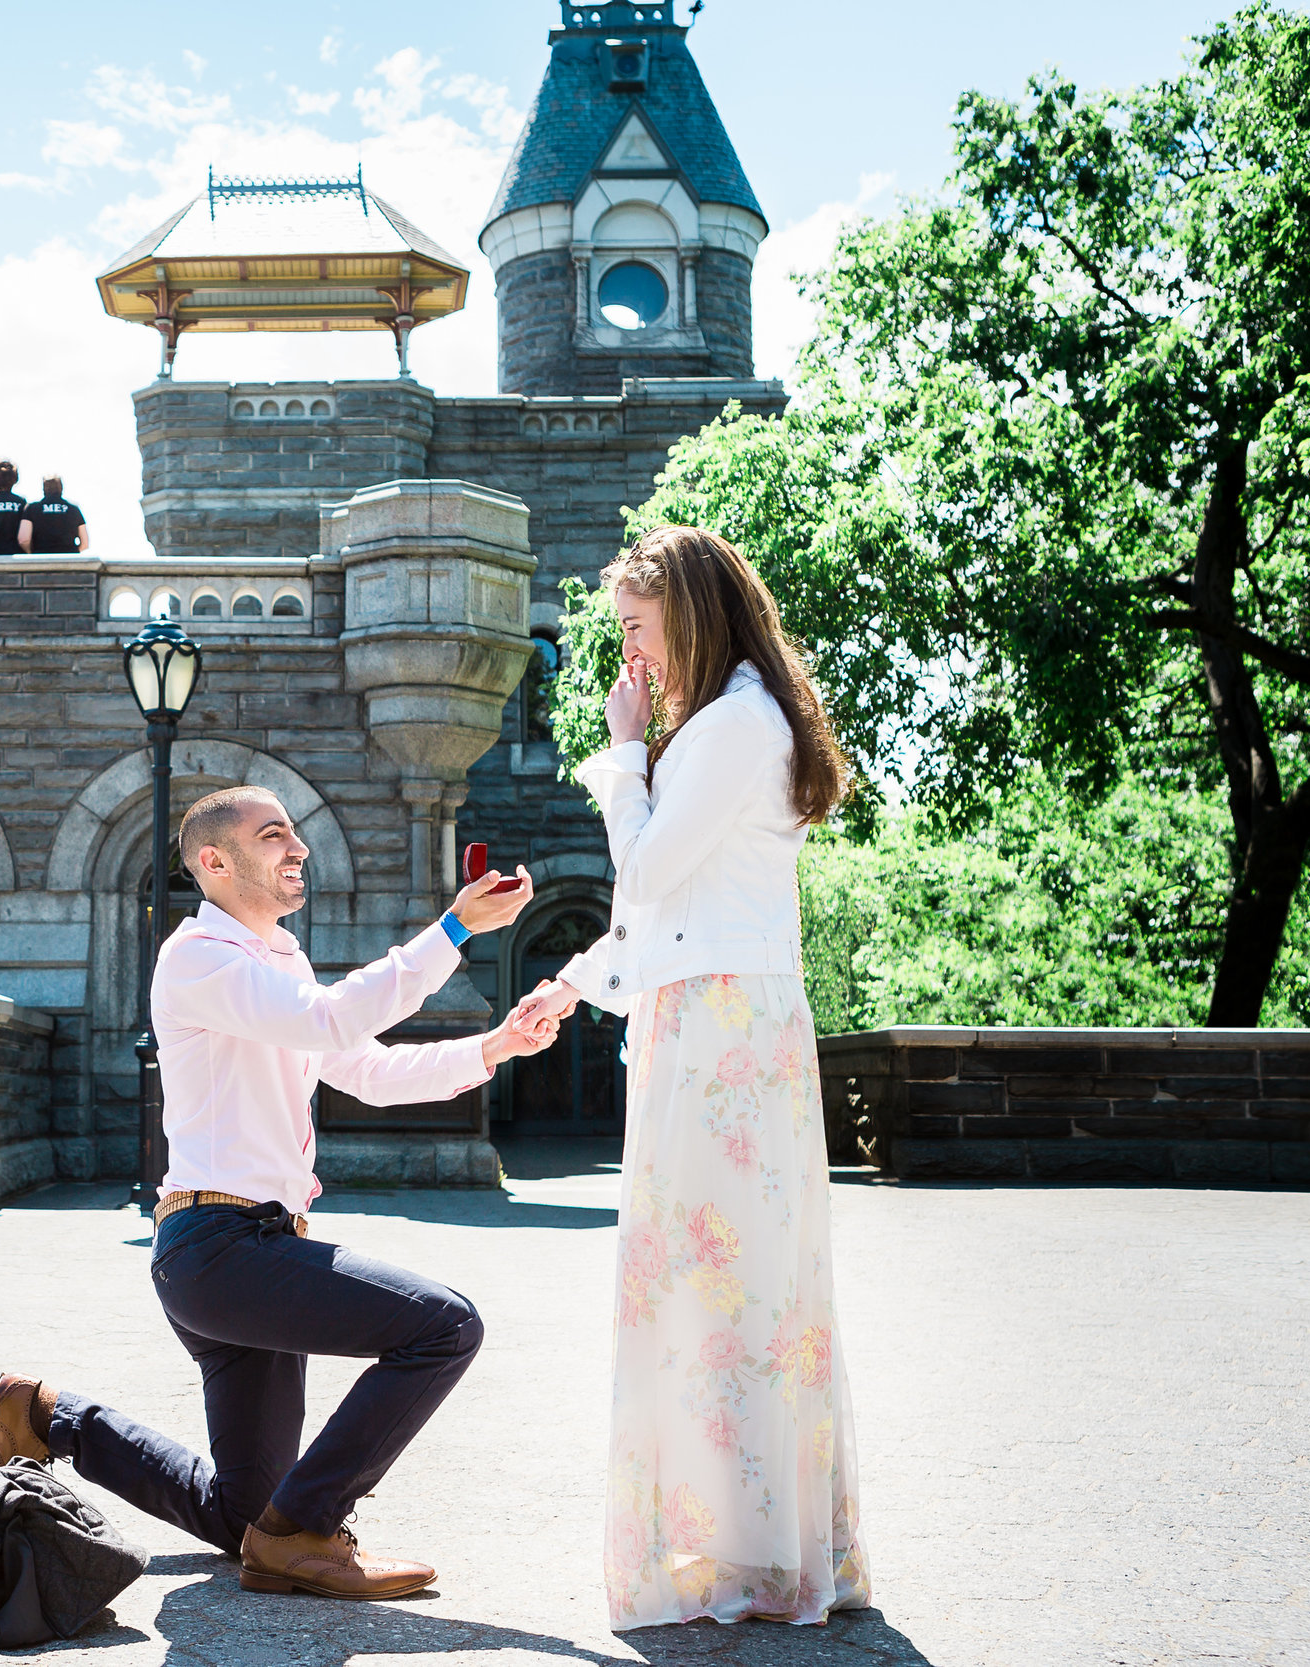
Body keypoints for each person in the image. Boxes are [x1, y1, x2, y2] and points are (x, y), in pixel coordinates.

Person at [0, 786, 561, 1600]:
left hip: (246, 1254)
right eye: (274, 834)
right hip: (221, 1249)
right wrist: (454, 927)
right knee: (445, 1326)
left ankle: (43, 1415)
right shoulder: (197, 957)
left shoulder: (280, 961)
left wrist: (497, 1043)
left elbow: (365, 1068)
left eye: (295, 832)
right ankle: (309, 1527)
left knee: (242, 1515)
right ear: (215, 862)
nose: (300, 849)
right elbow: (332, 1021)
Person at [514, 525, 871, 1630]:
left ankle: (745, 1552)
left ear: (689, 614)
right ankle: (755, 1543)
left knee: (718, 1293)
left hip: (720, 1032)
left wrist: (623, 752)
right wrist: (573, 985)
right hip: (716, 1015)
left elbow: (647, 866)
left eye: (633, 625)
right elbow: (665, 913)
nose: (628, 651)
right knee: (734, 1292)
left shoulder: (732, 722)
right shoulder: (745, 718)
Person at [18, 474, 87, 554]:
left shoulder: (32, 508)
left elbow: (24, 540)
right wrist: (72, 554)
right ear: (61, 488)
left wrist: (31, 554)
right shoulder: (74, 509)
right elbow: (85, 543)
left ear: (44, 489)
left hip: (41, 558)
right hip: (68, 560)